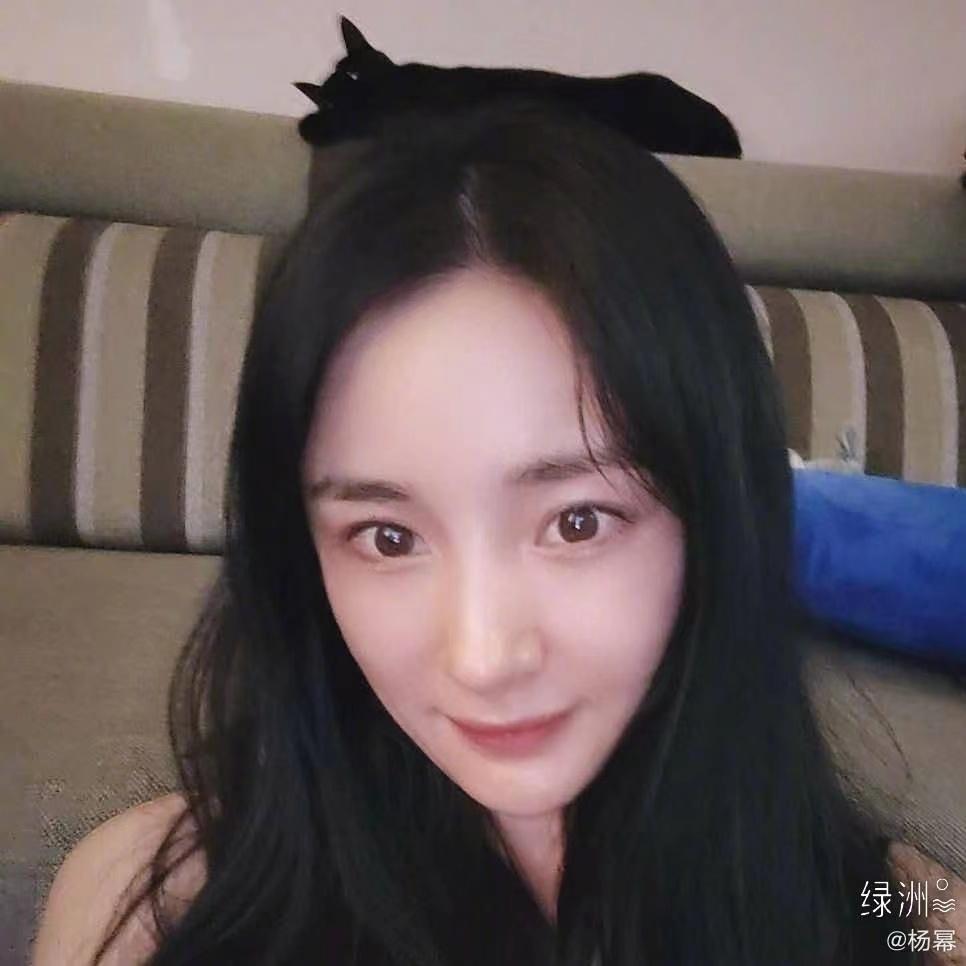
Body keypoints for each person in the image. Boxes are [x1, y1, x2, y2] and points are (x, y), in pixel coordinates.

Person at [33, 97, 964, 965]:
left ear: (718, 517)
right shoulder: (150, 902)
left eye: (577, 521)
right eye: (386, 537)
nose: (482, 659)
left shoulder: (904, 910)